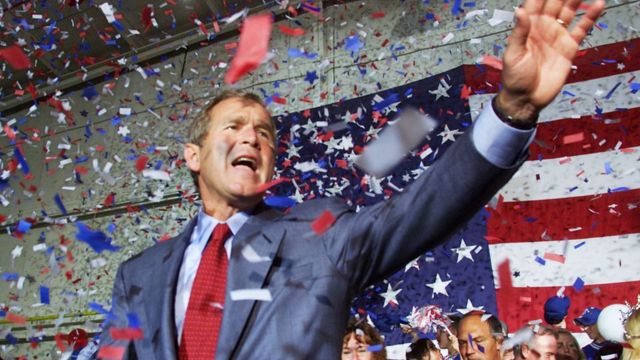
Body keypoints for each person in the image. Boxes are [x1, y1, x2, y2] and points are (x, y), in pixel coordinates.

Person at [99, 0, 605, 357]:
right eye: (234, 127)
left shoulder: (320, 235)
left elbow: (419, 209)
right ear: (193, 154)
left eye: (266, 134)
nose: (253, 139)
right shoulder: (138, 276)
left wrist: (513, 108)